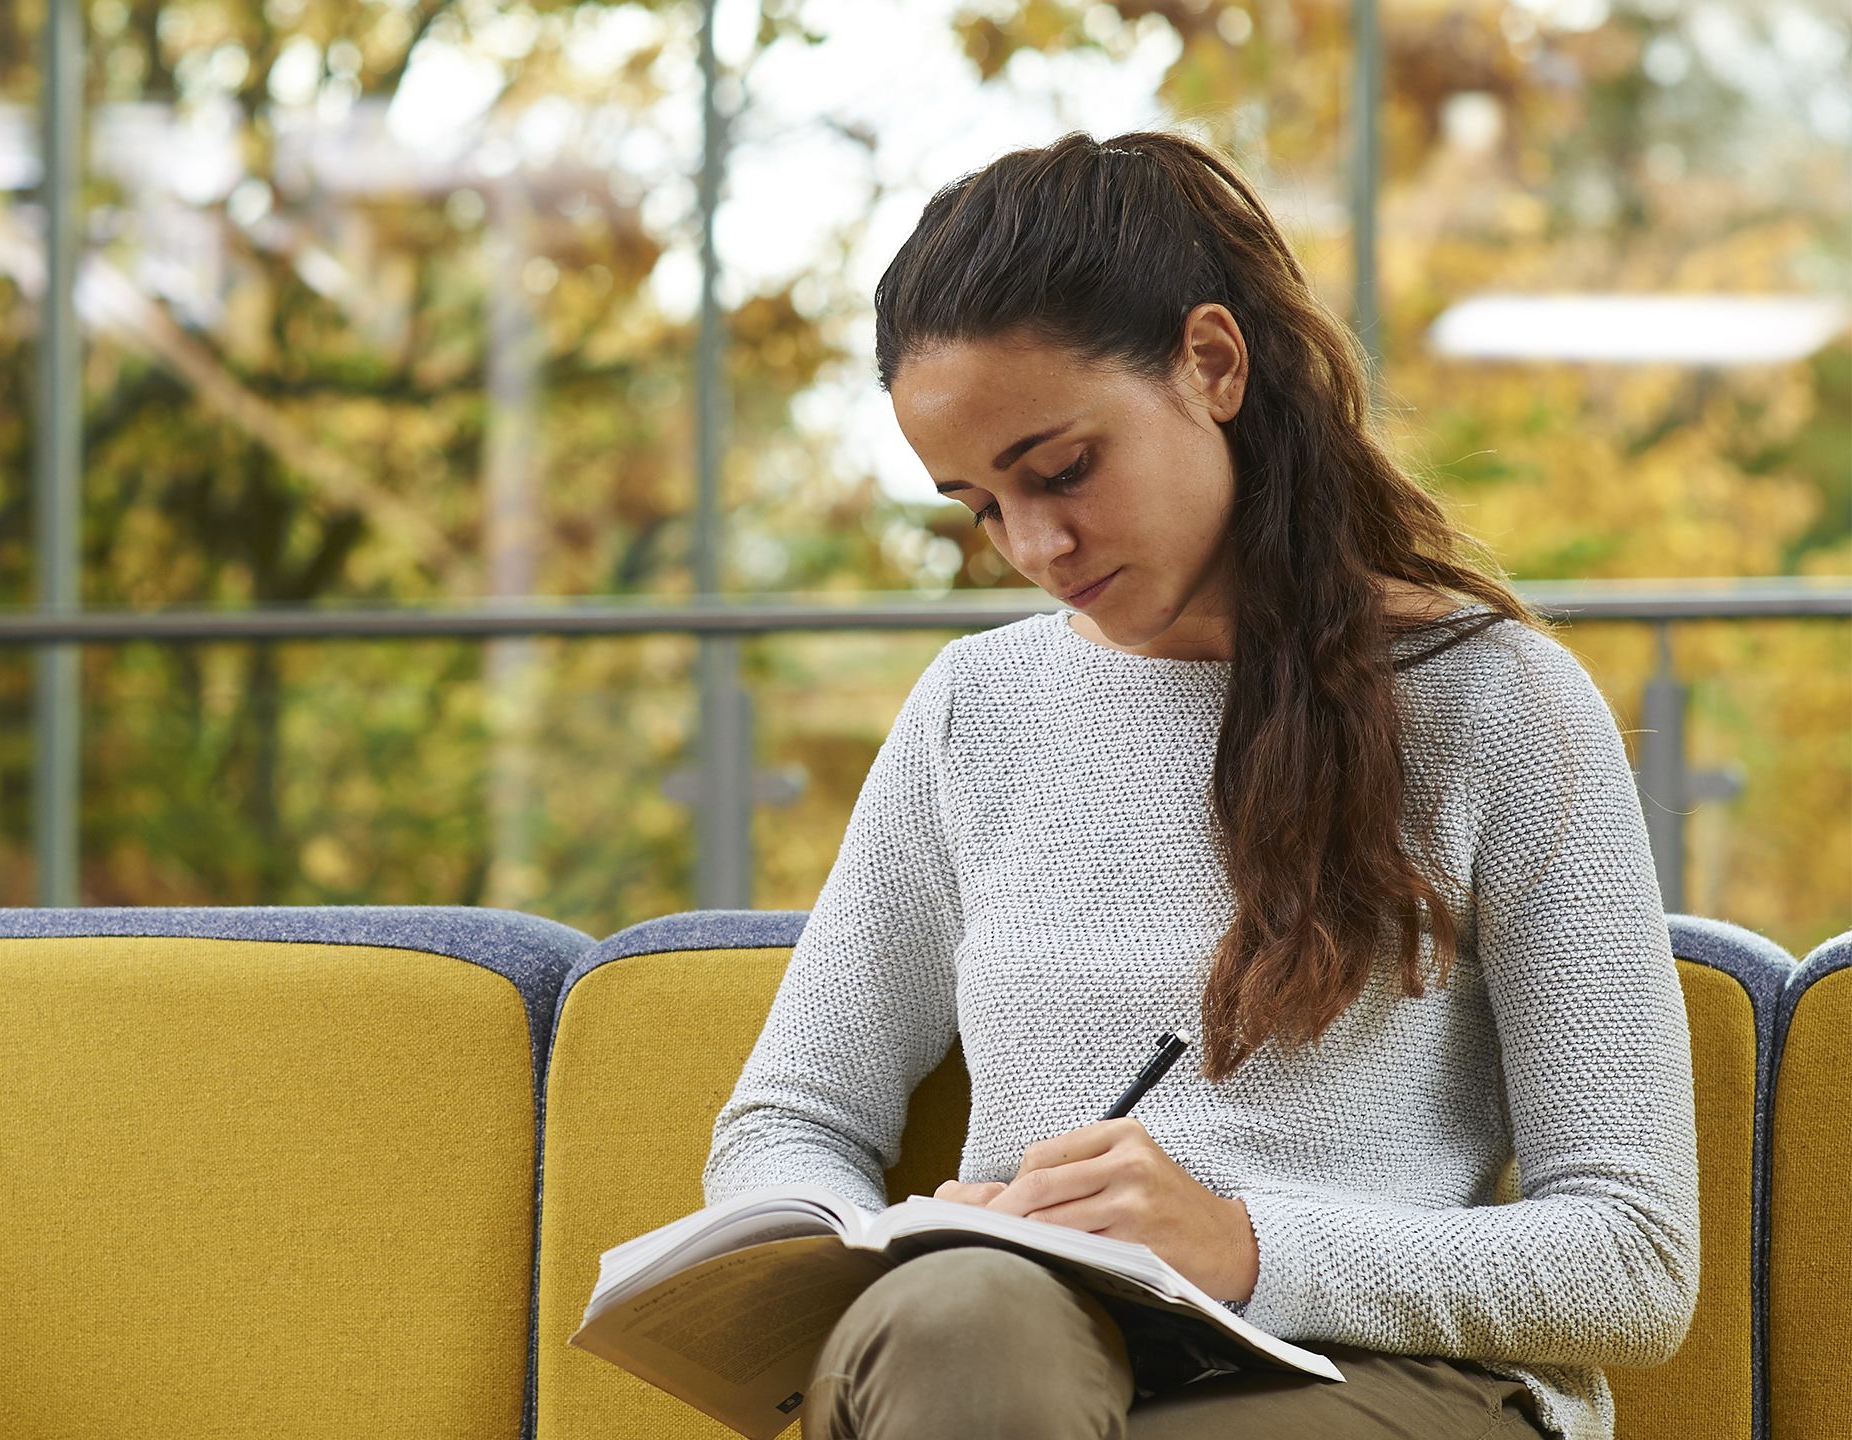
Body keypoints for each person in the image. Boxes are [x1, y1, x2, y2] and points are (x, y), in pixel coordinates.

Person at [700, 129, 1698, 1440]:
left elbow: (1635, 1260)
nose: (1035, 546)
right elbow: (786, 1124)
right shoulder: (977, 712)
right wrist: (907, 1234)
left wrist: (1242, 1245)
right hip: (1021, 1366)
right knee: (959, 1324)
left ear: (1212, 364)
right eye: (981, 505)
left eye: (1063, 471)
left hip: (1380, 1385)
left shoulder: (1497, 706)